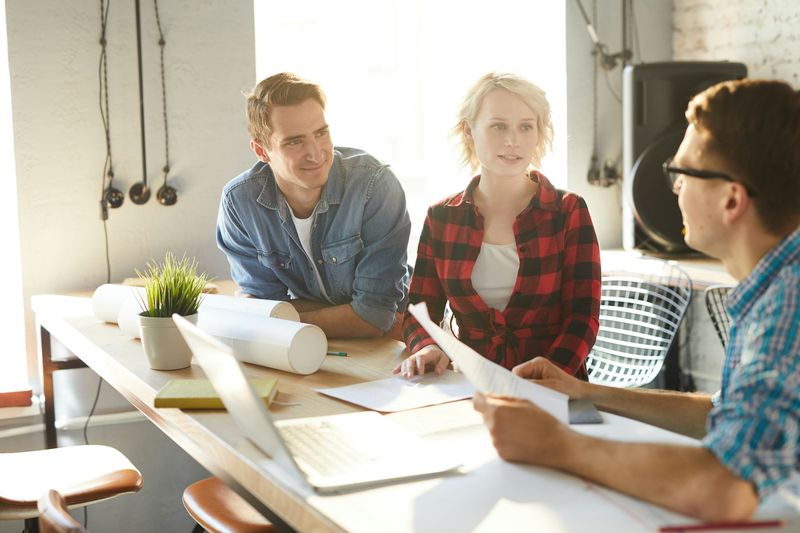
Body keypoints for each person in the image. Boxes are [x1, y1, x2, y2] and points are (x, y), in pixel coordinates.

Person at [474, 78, 800, 521]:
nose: (675, 188)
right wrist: (581, 391)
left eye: (683, 173)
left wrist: (553, 443)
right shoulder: (776, 284)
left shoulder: (787, 305)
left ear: (731, 200)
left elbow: (726, 486)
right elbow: (727, 414)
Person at [395, 72, 601, 379]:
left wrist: (551, 374)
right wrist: (426, 347)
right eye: (498, 126)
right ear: (469, 131)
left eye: (526, 127)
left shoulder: (568, 211)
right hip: (468, 384)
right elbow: (419, 313)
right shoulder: (442, 217)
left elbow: (583, 317)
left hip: (556, 385)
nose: (512, 141)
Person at [216, 73, 411, 338]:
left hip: (394, 341)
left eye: (321, 133)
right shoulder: (240, 203)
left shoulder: (373, 185)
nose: (316, 153)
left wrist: (286, 318)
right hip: (309, 343)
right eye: (295, 141)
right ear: (261, 151)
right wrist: (346, 313)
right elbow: (264, 308)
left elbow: (375, 316)